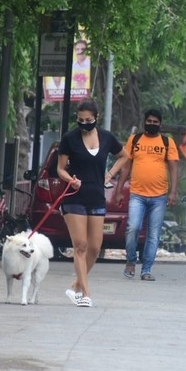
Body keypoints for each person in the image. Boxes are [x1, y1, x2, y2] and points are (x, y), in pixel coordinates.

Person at [57, 99, 129, 307]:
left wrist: (110, 174)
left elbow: (124, 156)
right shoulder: (70, 138)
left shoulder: (106, 138)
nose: (84, 123)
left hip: (97, 195)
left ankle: (74, 287)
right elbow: (60, 169)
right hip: (75, 197)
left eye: (88, 120)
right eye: (80, 120)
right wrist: (70, 179)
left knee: (95, 248)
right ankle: (86, 294)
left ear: (96, 118)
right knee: (80, 245)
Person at [114, 108, 179, 281]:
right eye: (149, 121)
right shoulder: (134, 140)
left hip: (160, 196)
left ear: (160, 124)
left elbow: (173, 168)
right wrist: (119, 190)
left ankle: (146, 270)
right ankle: (130, 261)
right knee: (132, 228)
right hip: (137, 194)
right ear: (144, 122)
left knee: (153, 234)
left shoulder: (167, 142)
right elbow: (126, 166)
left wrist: (173, 192)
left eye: (155, 122)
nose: (151, 124)